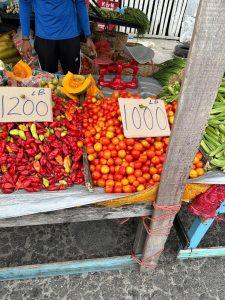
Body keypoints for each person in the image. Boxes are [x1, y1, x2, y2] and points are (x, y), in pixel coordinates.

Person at [19, 0, 96, 74]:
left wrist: (88, 36)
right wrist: (25, 39)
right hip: (45, 38)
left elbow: (81, 3)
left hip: (70, 37)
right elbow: (24, 4)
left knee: (73, 78)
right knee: (48, 80)